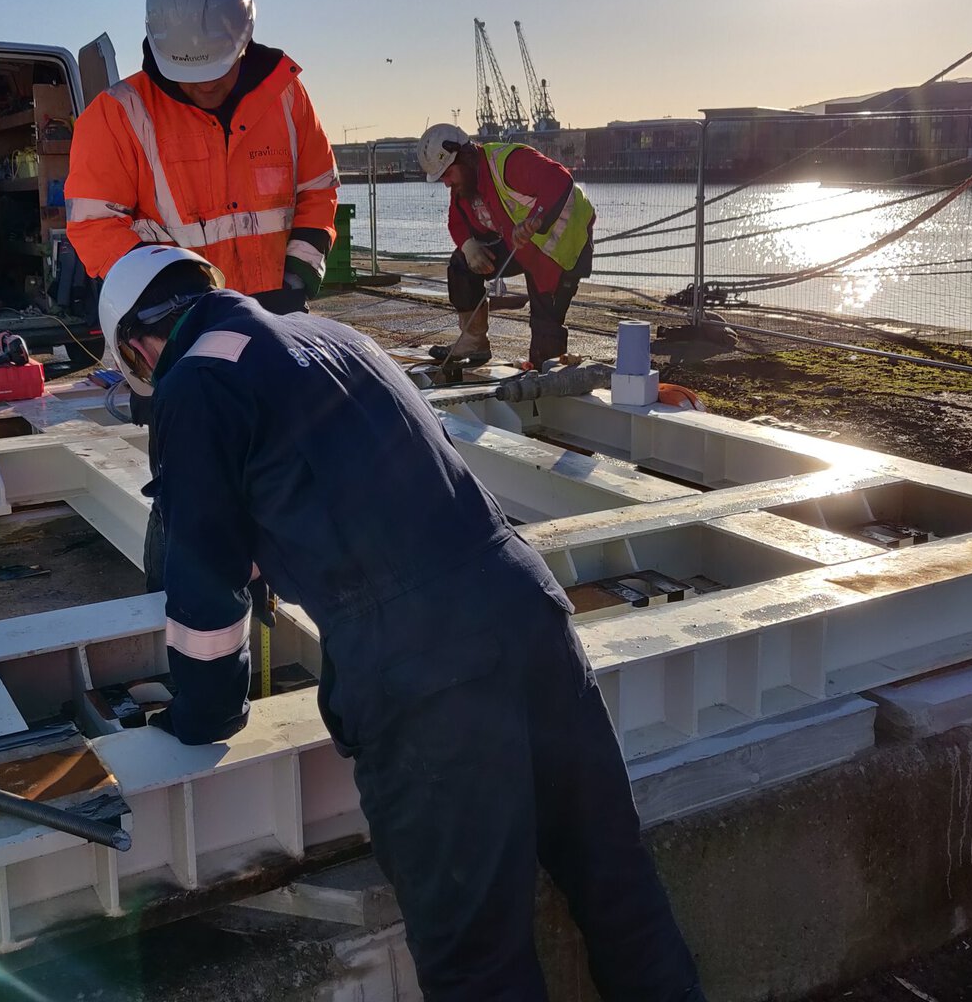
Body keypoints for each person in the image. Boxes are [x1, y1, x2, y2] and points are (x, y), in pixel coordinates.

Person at [98, 244, 706, 1002]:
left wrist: (200, 715)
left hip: (425, 675)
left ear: (135, 347)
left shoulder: (195, 381)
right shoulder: (332, 334)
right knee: (621, 894)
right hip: (529, 614)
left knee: (480, 964)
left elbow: (203, 592)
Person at [65, 0, 339, 317]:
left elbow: (318, 190)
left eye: (218, 69)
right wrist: (168, 294)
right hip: (175, 325)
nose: (207, 85)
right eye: (192, 76)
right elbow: (94, 225)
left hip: (279, 313)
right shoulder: (117, 115)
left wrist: (297, 277)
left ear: (244, 42)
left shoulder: (287, 97)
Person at [417, 123, 595, 369]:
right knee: (461, 264)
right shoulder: (465, 184)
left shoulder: (509, 162)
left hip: (563, 251)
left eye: (447, 174)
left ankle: (547, 377)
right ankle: (473, 341)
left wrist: (535, 219)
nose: (447, 183)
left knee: (545, 333)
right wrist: (469, 246)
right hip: (521, 246)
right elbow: (456, 222)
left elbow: (559, 179)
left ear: (464, 157)